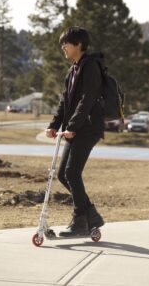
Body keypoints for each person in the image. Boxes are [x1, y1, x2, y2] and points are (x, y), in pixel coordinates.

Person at [46, 26, 105, 237]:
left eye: (66, 44)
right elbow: (65, 101)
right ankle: (91, 215)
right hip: (76, 128)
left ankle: (81, 221)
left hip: (88, 128)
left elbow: (87, 99)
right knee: (63, 174)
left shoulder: (90, 67)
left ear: (78, 45)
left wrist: (72, 126)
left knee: (72, 172)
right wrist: (55, 124)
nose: (63, 47)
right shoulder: (72, 70)